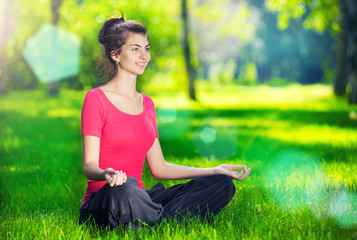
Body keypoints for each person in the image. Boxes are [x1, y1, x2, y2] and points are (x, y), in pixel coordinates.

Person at [78, 13, 251, 230]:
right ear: (115, 55)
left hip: (141, 198)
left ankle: (150, 221)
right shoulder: (96, 99)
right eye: (135, 49)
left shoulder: (147, 104)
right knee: (127, 187)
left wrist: (214, 170)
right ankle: (160, 221)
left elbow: (159, 167)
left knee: (221, 185)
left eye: (146, 48)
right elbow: (89, 166)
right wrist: (106, 173)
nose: (144, 55)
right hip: (106, 200)